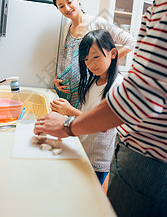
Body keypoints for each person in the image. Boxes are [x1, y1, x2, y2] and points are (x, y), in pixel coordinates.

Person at [35, 0, 167, 216]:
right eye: (60, 6)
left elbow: (141, 92)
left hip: (146, 156)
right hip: (118, 133)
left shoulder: (100, 23)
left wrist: (70, 125)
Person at [51, 29, 123, 185]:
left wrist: (69, 110)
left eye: (96, 56)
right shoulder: (93, 82)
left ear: (113, 53)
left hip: (97, 159)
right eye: (86, 59)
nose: (91, 64)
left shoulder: (117, 86)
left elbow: (104, 125)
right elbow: (84, 114)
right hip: (82, 149)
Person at [53, 0, 136, 109]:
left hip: (84, 89)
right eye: (61, 6)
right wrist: (57, 77)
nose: (67, 8)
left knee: (83, 123)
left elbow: (131, 42)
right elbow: (66, 57)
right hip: (64, 92)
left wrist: (109, 59)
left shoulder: (97, 23)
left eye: (69, 2)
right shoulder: (67, 27)